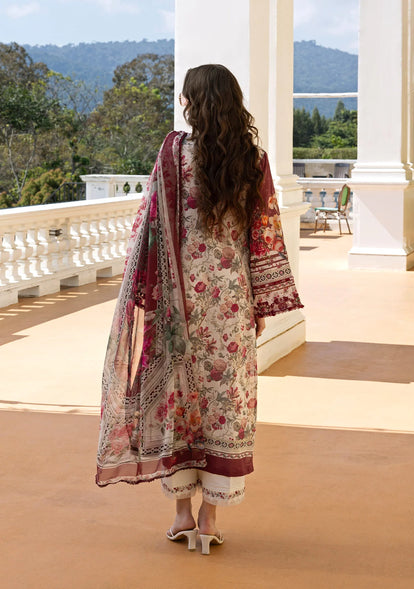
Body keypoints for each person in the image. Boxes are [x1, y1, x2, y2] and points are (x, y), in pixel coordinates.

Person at [96, 64, 303, 555]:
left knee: (179, 404)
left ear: (196, 101)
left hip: (178, 305)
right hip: (230, 303)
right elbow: (264, 235)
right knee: (226, 405)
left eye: (186, 96)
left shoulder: (173, 154)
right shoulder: (254, 161)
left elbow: (148, 223)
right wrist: (260, 302)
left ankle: (182, 516)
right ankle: (209, 522)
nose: (183, 103)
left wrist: (144, 291)